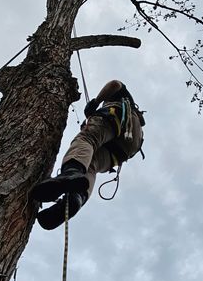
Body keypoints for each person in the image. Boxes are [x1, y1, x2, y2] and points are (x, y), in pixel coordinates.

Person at [32, 80, 145, 230]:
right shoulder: (135, 115)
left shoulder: (120, 97)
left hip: (119, 117)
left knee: (87, 139)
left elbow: (115, 84)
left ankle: (71, 173)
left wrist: (96, 102)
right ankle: (77, 198)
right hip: (127, 147)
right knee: (91, 165)